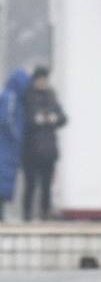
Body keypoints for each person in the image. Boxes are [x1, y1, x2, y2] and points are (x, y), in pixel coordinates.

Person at [21, 67, 66, 221]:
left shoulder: (52, 96)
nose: (42, 82)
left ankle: (44, 213)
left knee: (47, 185)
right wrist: (39, 120)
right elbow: (27, 120)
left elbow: (63, 118)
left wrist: (53, 119)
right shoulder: (27, 96)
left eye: (44, 79)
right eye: (40, 79)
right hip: (31, 149)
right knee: (31, 184)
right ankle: (27, 214)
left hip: (49, 149)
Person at [0, 70, 29, 221]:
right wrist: (18, 138)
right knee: (3, 179)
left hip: (9, 149)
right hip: (6, 148)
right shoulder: (11, 98)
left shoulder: (13, 98)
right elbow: (7, 120)